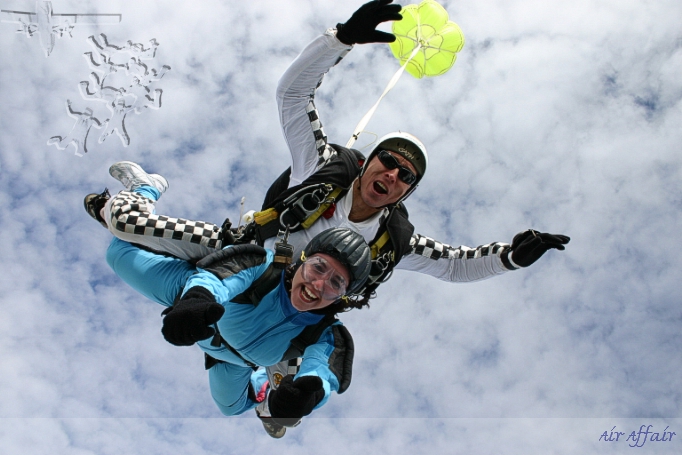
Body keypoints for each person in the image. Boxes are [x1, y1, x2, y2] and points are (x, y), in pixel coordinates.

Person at [86, 0, 569, 306]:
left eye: (406, 177)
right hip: (239, 250)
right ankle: (142, 189)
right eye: (390, 161)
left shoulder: (392, 238)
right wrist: (340, 39)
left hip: (299, 301)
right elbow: (293, 96)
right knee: (123, 226)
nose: (394, 174)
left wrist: (511, 257)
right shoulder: (322, 167)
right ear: (369, 162)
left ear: (405, 193)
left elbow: (454, 264)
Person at [103, 180, 372, 438]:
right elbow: (224, 275)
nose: (319, 284)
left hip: (231, 361)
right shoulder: (266, 267)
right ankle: (146, 188)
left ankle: (264, 388)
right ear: (302, 260)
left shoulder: (325, 331)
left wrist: (307, 395)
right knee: (117, 252)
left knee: (229, 408)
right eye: (318, 266)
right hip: (191, 299)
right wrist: (196, 299)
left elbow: (322, 371)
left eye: (336, 284)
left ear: (342, 298)